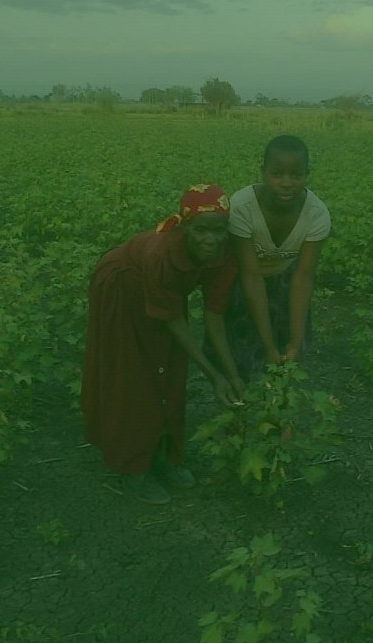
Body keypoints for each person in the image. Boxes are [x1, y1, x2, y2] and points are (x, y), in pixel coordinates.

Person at [80, 184, 244, 505]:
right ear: (184, 228)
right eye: (201, 231)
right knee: (134, 375)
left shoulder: (226, 253)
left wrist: (231, 373)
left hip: (165, 293)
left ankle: (164, 456)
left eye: (218, 230)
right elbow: (174, 323)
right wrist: (214, 377)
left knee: (171, 372)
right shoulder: (162, 255)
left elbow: (214, 316)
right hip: (122, 286)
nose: (210, 240)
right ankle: (133, 467)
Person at [222, 135, 331, 379]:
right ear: (262, 172)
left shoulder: (316, 214)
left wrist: (294, 341)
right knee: (243, 352)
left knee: (290, 356)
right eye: (277, 173)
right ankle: (240, 407)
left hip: (286, 277)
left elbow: (303, 277)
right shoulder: (241, 207)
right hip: (243, 280)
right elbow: (250, 276)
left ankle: (277, 408)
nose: (286, 183)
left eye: (296, 175)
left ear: (307, 174)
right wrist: (268, 347)